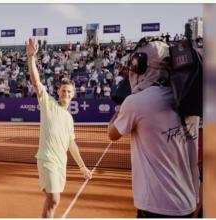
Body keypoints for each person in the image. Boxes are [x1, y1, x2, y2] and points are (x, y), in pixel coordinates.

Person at [107, 40, 200, 218]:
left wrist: (119, 110)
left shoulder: (136, 102)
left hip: (157, 206)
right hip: (187, 203)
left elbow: (112, 134)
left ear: (141, 65)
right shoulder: (188, 98)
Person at [26, 38, 92, 218]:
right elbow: (36, 82)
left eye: (69, 91)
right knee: (54, 199)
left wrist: (83, 167)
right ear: (59, 92)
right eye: (63, 90)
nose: (66, 93)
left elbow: (72, 144)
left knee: (52, 202)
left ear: (73, 95)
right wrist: (31, 57)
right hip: (47, 159)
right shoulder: (48, 103)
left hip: (60, 163)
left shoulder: (69, 119)